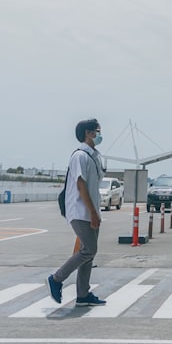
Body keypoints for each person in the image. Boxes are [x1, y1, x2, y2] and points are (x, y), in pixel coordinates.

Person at [47, 118, 106, 307]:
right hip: (81, 211)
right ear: (88, 133)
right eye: (97, 131)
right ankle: (56, 279)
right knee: (89, 250)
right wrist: (93, 213)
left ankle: (83, 294)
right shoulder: (79, 156)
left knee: (88, 253)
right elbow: (81, 186)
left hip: (90, 211)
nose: (100, 135)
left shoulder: (94, 155)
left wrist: (96, 212)